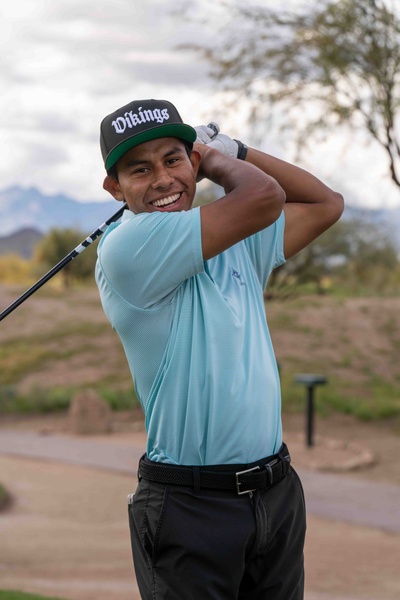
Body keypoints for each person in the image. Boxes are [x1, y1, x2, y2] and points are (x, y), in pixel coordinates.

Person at [95, 98, 344, 600]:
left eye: (173, 160)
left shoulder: (234, 239)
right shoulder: (127, 245)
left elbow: (325, 205)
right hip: (190, 506)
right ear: (114, 189)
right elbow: (264, 196)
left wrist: (237, 149)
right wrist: (213, 157)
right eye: (140, 169)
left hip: (275, 494)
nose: (162, 179)